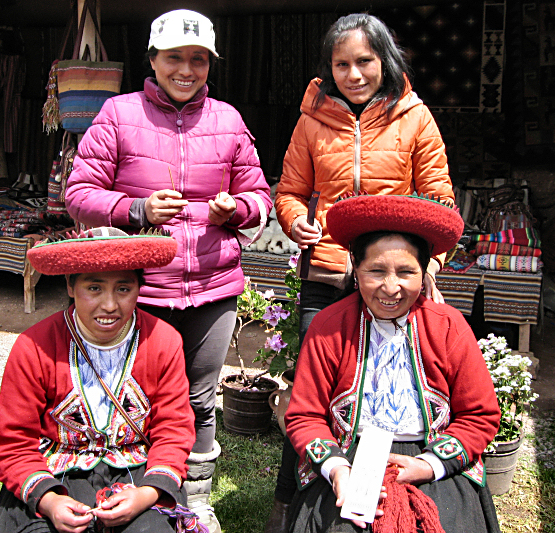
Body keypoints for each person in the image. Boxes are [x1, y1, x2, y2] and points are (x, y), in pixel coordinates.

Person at [65, 9, 272, 531]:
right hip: (142, 288)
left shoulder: (227, 120)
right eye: (174, 57)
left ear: (210, 64)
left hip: (213, 285)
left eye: (198, 59)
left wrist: (237, 211)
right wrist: (136, 211)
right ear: (152, 60)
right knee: (141, 394)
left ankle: (195, 497)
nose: (186, 69)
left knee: (201, 399)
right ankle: (139, 488)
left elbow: (260, 197)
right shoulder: (118, 113)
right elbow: (78, 195)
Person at [267, 14, 455, 530]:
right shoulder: (311, 121)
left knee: (401, 387)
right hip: (327, 274)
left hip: (395, 278)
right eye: (342, 64)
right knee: (313, 390)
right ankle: (294, 500)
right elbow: (288, 190)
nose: (353, 74)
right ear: (328, 69)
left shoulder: (413, 117)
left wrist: (427, 268)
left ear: (385, 61)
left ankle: (410, 490)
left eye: (365, 62)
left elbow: (439, 200)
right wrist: (297, 222)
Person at [284, 193, 501, 533]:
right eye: (375, 271)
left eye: (405, 272)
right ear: (355, 269)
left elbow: (480, 415)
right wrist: (339, 470)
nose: (390, 287)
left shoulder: (449, 326)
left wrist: (428, 465)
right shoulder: (328, 326)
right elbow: (304, 415)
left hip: (430, 449)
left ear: (424, 272)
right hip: (349, 451)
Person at [0, 227, 200, 533]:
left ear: (140, 288)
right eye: (95, 289)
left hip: (137, 472)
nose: (110, 305)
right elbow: (13, 441)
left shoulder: (163, 342)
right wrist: (49, 501)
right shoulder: (34, 347)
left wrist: (145, 495)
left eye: (124, 289)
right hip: (53, 471)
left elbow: (173, 430)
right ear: (70, 286)